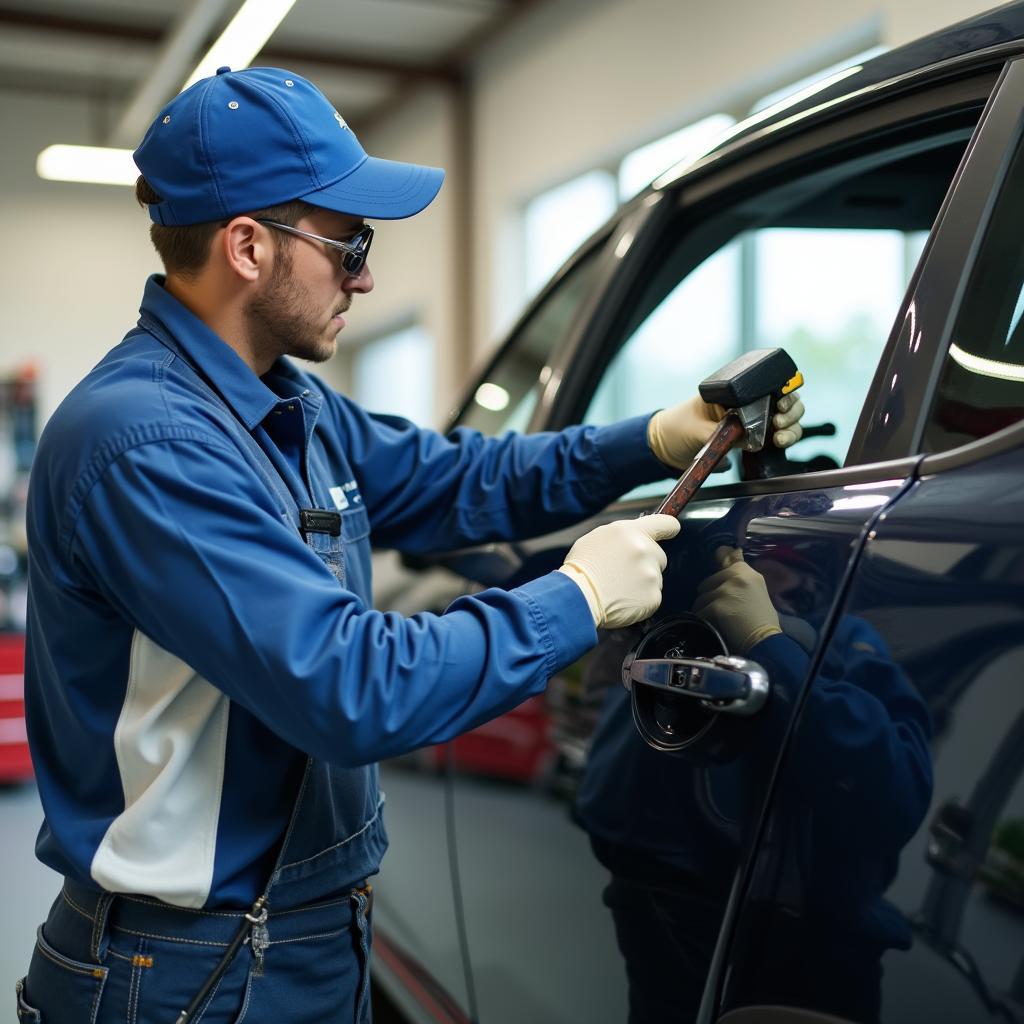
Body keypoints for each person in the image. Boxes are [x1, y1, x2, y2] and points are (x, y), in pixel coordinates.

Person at [18, 66, 804, 1024]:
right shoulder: (146, 442)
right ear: (249, 247)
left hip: (297, 936)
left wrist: (656, 437)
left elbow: (465, 481)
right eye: (350, 242)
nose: (367, 273)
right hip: (187, 973)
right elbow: (352, 684)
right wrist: (578, 599)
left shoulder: (290, 405)